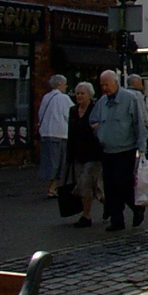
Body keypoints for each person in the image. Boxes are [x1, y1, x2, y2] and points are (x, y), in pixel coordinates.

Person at [89, 70, 147, 231]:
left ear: (116, 83)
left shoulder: (130, 99)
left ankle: (137, 208)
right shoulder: (102, 102)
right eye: (102, 85)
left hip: (125, 149)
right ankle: (117, 220)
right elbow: (92, 119)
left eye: (107, 84)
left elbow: (138, 124)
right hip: (107, 150)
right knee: (110, 186)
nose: (104, 88)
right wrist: (97, 130)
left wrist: (142, 148)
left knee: (123, 184)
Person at [67, 81, 105, 228]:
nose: (79, 96)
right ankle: (109, 206)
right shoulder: (73, 110)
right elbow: (71, 133)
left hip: (93, 154)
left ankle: (86, 216)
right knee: (95, 188)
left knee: (85, 184)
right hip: (78, 154)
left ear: (90, 95)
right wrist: (69, 156)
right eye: (77, 93)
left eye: (82, 93)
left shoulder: (95, 110)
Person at [36, 74, 74, 197]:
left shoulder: (46, 97)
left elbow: (40, 114)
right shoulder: (63, 98)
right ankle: (52, 188)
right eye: (65, 84)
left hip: (46, 134)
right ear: (59, 85)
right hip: (60, 134)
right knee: (58, 163)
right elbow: (71, 115)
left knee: (50, 161)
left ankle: (52, 187)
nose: (66, 86)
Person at [127, 74, 148, 148]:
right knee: (144, 149)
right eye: (140, 83)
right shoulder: (141, 96)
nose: (142, 85)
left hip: (127, 131)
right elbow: (147, 114)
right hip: (141, 128)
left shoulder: (123, 96)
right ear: (135, 83)